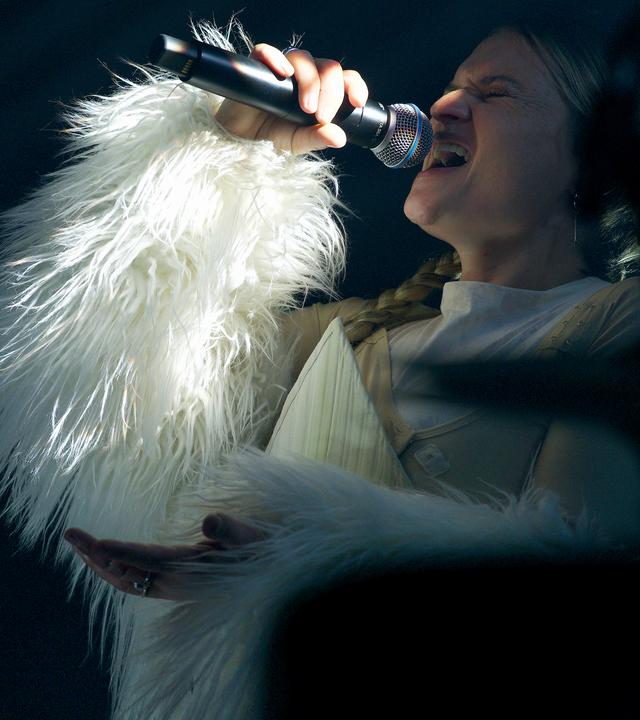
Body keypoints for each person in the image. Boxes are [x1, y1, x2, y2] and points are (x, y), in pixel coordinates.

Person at [2, 12, 640, 720]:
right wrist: (231, 150)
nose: (444, 107)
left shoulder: (620, 326)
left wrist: (297, 561)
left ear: (596, 151)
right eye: (452, 88)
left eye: (494, 93)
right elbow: (110, 391)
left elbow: (578, 597)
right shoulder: (345, 337)